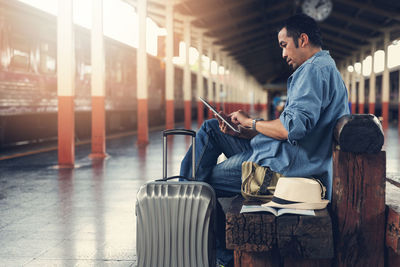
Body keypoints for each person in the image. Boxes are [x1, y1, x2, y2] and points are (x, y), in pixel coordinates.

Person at [180, 13, 349, 267]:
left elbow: (292, 128)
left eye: (284, 45)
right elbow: (292, 127)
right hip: (285, 154)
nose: (283, 54)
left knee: (200, 184)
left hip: (283, 170)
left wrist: (250, 123)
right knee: (213, 128)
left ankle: (219, 252)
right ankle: (185, 202)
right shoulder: (323, 67)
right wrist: (251, 131)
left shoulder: (313, 70)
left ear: (302, 40)